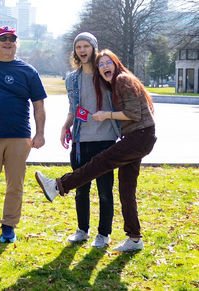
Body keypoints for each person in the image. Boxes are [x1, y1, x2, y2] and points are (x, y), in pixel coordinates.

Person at [35, 49, 157, 252]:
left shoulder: (123, 80)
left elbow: (134, 114)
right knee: (126, 189)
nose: (104, 67)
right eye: (101, 65)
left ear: (116, 63)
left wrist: (107, 114)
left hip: (140, 136)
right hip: (138, 137)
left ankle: (58, 186)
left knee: (100, 163)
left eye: (108, 63)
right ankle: (135, 239)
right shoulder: (116, 82)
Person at [0, 26, 47, 243]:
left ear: (16, 43)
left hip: (19, 135)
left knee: (15, 184)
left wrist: (40, 133)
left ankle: (9, 225)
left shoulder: (28, 71)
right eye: (2, 38)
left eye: (12, 39)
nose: (7, 42)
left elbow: (39, 105)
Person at [60, 32, 120, 249]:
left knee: (105, 191)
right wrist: (65, 125)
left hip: (105, 140)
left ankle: (104, 234)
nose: (82, 50)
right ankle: (82, 230)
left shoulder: (105, 73)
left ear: (94, 48)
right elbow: (73, 108)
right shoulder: (72, 78)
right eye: (79, 47)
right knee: (81, 188)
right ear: (75, 51)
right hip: (80, 140)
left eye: (86, 46)